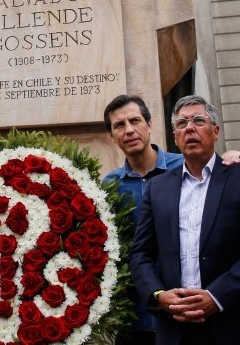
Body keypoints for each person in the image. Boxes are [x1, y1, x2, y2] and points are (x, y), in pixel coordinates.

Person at [130, 95, 240, 345]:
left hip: (233, 321)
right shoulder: (158, 187)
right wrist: (158, 295)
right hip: (175, 326)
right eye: (182, 123)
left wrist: (217, 296)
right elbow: (140, 253)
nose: (189, 128)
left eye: (199, 120)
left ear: (216, 131)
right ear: (175, 136)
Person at [101, 94, 182, 345]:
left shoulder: (184, 168)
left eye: (135, 121)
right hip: (136, 315)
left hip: (184, 305)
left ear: (149, 124)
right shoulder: (111, 186)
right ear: (111, 136)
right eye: (119, 125)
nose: (129, 130)